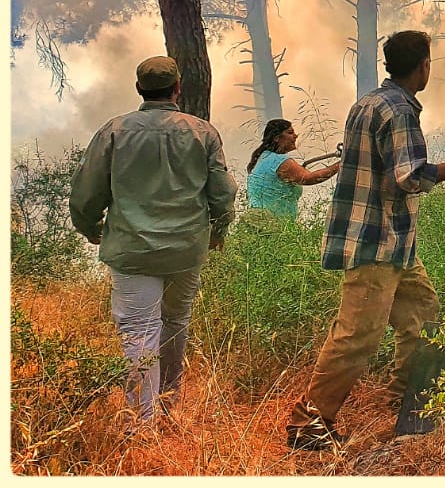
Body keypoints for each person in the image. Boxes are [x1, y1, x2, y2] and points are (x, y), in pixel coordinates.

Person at [285, 31, 445, 451]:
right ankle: (310, 425)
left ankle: (406, 398)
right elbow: (410, 176)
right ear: (424, 66)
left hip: (394, 244)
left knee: (421, 313)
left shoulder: (368, 102)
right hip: (376, 243)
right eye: (429, 62)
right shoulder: (399, 111)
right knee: (356, 335)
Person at [69, 55, 237, 428]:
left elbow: (85, 193)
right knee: (176, 321)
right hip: (186, 249)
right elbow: (223, 194)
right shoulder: (202, 132)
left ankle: (139, 424)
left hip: (132, 250)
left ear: (139, 89)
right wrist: (218, 232)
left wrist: (90, 228)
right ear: (178, 88)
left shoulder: (115, 130)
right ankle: (168, 405)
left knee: (139, 333)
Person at [246, 119, 340, 219]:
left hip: (260, 220)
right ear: (277, 138)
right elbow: (309, 178)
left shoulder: (264, 156)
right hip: (271, 223)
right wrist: (341, 164)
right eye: (290, 133)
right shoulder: (279, 161)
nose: (296, 136)